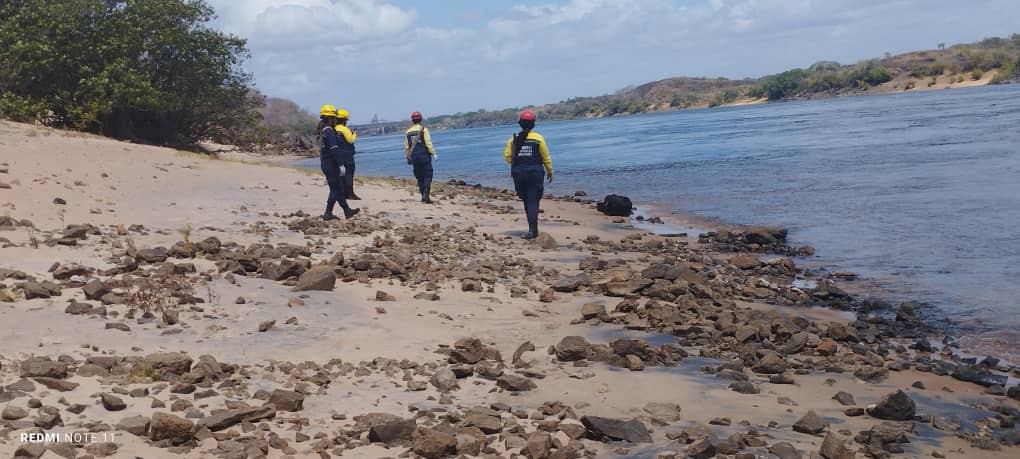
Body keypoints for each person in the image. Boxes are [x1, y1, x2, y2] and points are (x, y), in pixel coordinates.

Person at [503, 109, 553, 239]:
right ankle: (533, 230)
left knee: (526, 200)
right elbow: (546, 156)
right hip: (535, 172)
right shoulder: (538, 138)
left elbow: (508, 158)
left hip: (519, 173)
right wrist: (549, 171)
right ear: (533, 124)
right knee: (533, 200)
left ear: (520, 123)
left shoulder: (513, 140)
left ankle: (532, 229)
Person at [318, 104, 359, 220]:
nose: (336, 120)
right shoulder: (329, 131)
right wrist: (341, 164)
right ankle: (328, 213)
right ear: (330, 118)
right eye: (334, 117)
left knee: (337, 189)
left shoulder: (324, 131)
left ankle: (347, 211)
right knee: (335, 189)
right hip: (331, 165)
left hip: (326, 164)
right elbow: (334, 149)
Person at [404, 111, 436, 203]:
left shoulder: (408, 132)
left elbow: (406, 147)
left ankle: (423, 196)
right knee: (428, 175)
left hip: (414, 157)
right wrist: (433, 153)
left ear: (412, 120)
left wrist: (407, 157)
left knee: (419, 177)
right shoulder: (424, 129)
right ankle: (426, 194)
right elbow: (428, 143)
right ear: (421, 119)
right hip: (424, 156)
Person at [334, 108, 361, 200]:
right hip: (347, 156)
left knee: (341, 175)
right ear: (344, 120)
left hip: (337, 156)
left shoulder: (333, 129)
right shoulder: (344, 129)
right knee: (349, 174)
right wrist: (354, 133)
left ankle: (343, 193)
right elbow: (351, 140)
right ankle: (350, 194)